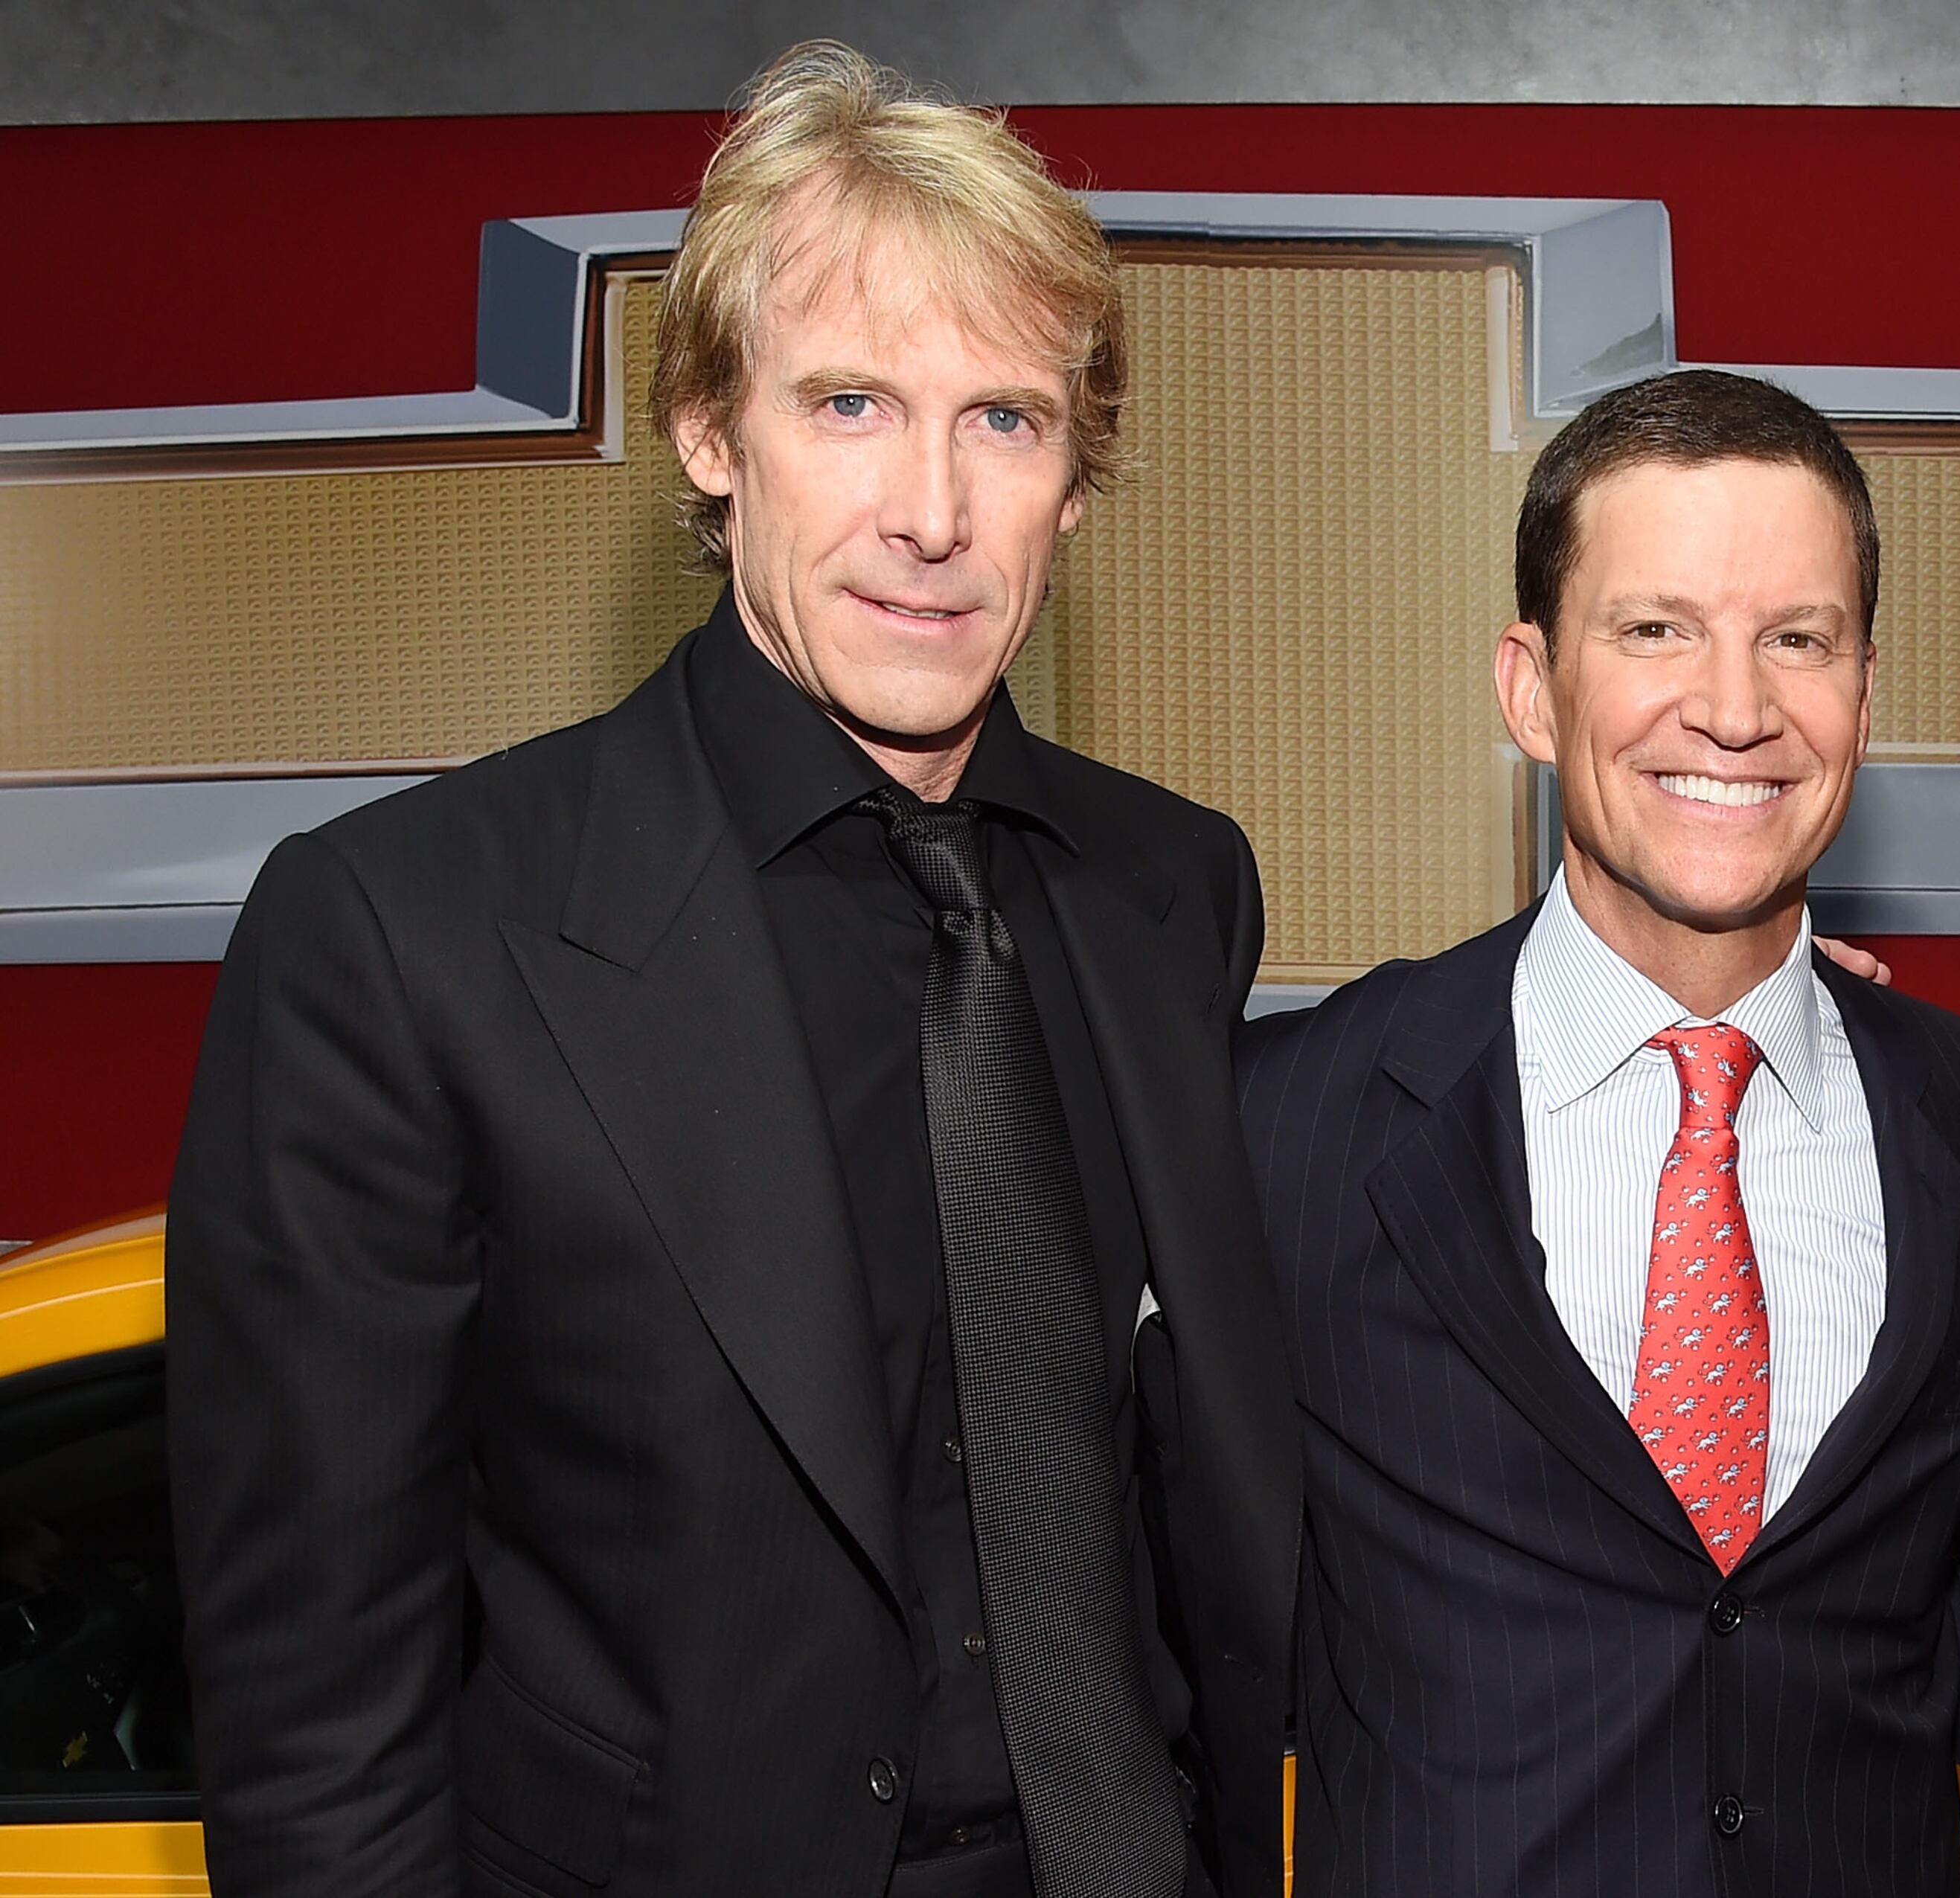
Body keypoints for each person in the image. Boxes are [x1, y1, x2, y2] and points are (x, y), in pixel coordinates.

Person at [166, 43, 1294, 1898]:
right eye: (849, 403)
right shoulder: (402, 933)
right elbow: (316, 1743)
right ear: (710, 429)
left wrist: (1721, 1005)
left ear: (1074, 486)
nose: (931, 510)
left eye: (1004, 421)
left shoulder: (1173, 888)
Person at [1238, 369, 1960, 1896]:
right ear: (1531, 687)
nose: (1733, 708)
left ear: (1863, 692)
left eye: (1795, 639)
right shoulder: (1290, 1117)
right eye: (1655, 628)